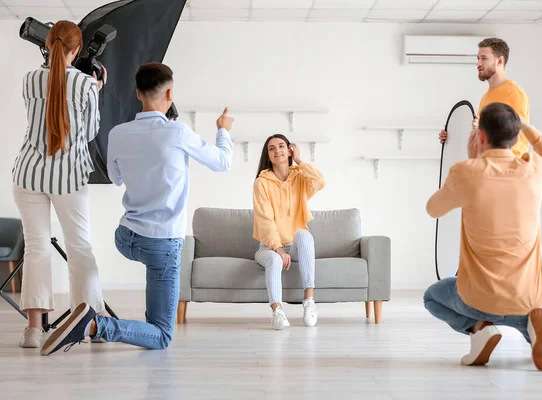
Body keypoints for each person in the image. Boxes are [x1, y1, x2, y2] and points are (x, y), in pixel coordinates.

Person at [40, 62, 234, 355]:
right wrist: (223, 130)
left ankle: (94, 322)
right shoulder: (177, 133)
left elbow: (116, 179)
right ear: (169, 93)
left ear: (137, 93)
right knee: (161, 335)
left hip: (126, 238)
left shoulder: (118, 133)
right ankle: (94, 326)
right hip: (162, 244)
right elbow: (222, 162)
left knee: (155, 294)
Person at [424, 102, 542, 371]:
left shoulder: (466, 173)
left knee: (431, 297)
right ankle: (534, 330)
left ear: (480, 136)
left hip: (477, 300)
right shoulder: (534, 171)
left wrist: (472, 162)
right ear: (516, 138)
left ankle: (481, 328)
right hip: (529, 299)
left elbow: (432, 209)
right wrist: (526, 125)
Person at [11, 20, 107, 349]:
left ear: (48, 45)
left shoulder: (29, 80)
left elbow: (44, 113)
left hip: (28, 174)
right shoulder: (86, 85)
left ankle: (33, 331)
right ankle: (90, 323)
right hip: (68, 177)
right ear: (77, 50)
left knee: (36, 249)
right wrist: (97, 90)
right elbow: (91, 131)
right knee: (80, 249)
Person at [253, 134, 325, 330]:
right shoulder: (262, 182)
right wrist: (278, 248)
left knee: (304, 234)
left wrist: (300, 160)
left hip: (293, 247)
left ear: (289, 150)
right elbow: (265, 220)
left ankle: (309, 301)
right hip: (268, 247)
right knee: (275, 260)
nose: (277, 151)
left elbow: (319, 181)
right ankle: (277, 311)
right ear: (268, 156)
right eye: (272, 148)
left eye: (282, 146)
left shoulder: (299, 178)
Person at [440, 37, 531, 158]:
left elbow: (517, 138)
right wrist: (452, 137)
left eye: (484, 58)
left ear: (499, 61)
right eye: (478, 58)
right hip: (490, 166)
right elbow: (483, 138)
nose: (478, 63)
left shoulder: (514, 93)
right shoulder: (486, 97)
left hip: (507, 169)